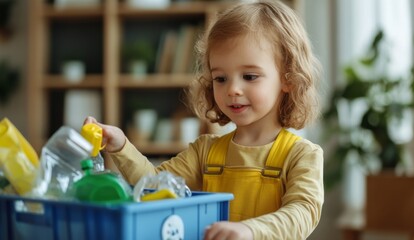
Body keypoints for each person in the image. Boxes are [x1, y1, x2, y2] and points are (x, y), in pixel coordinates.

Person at [84, 0, 324, 239]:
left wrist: (250, 230)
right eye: (221, 78)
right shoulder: (204, 151)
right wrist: (121, 146)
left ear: (288, 78)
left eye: (249, 76)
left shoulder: (302, 155)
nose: (233, 89)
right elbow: (153, 187)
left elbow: (302, 213)